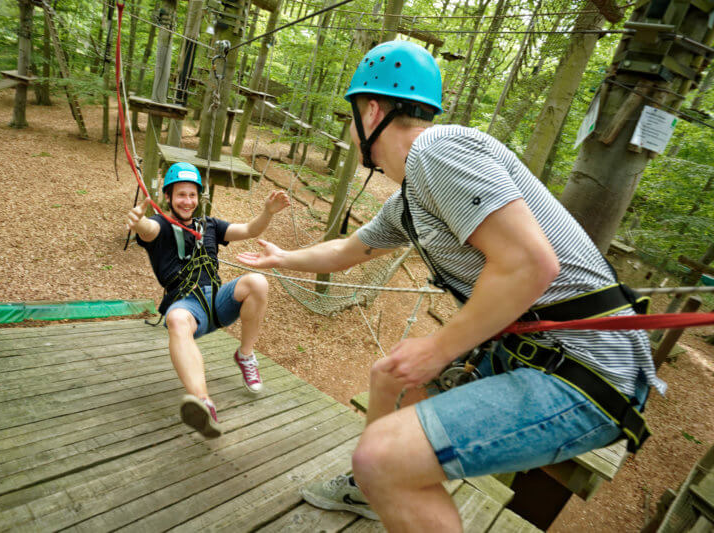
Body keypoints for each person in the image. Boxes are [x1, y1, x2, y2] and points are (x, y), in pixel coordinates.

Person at [236, 41, 664, 530]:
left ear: (372, 110)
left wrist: (439, 347)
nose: (350, 133)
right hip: (543, 354)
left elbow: (529, 264)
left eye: (351, 115)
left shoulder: (437, 152)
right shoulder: (411, 200)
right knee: (389, 376)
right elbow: (348, 251)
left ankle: (381, 475)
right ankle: (373, 489)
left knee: (379, 457)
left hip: (583, 371)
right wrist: (283, 257)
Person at [127, 161, 290, 439]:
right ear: (168, 197)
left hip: (217, 302)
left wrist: (267, 212)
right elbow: (147, 230)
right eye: (180, 194)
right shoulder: (160, 226)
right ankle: (203, 403)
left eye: (192, 195)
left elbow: (250, 230)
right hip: (188, 309)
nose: (187, 201)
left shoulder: (210, 225)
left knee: (257, 282)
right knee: (176, 319)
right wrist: (138, 221)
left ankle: (245, 356)